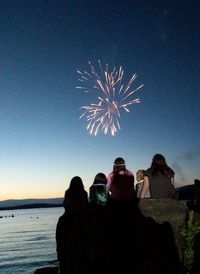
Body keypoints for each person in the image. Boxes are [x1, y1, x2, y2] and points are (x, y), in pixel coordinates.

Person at [56, 176, 92, 274]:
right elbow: (86, 206)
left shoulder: (68, 193)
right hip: (81, 222)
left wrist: (60, 255)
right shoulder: (84, 194)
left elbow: (65, 205)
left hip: (68, 221)